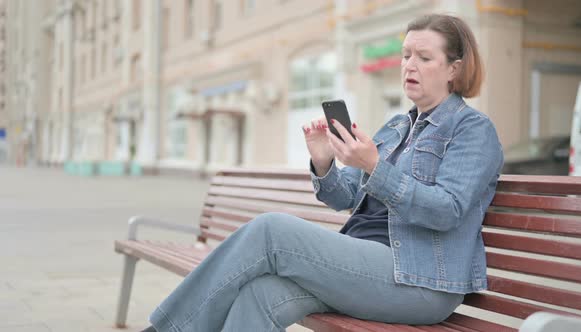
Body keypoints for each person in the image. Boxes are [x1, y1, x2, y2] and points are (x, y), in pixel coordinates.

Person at [141, 13, 503, 332]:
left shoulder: (471, 129)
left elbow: (447, 210)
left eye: (424, 57)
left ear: (454, 68)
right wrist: (324, 162)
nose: (409, 65)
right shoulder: (397, 126)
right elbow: (344, 196)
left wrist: (374, 167)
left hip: (421, 279)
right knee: (261, 293)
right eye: (406, 55)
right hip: (366, 263)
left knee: (271, 231)